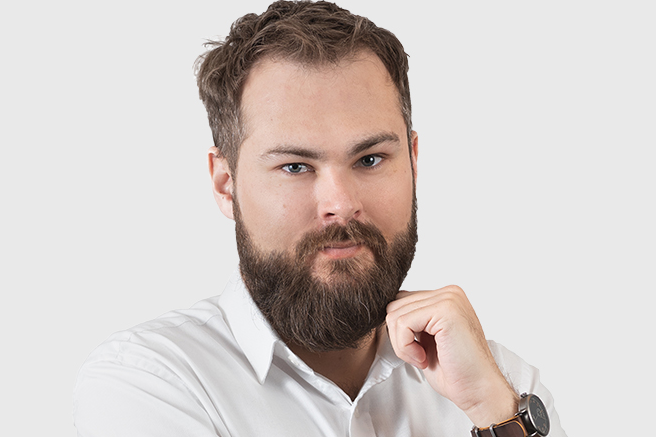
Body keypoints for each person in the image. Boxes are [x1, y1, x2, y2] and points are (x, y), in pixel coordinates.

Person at [73, 1, 566, 436]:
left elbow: (498, 405)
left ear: (413, 163)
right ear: (226, 184)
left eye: (370, 159)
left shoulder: (500, 385)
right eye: (295, 166)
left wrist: (494, 414)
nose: (341, 203)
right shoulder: (149, 383)